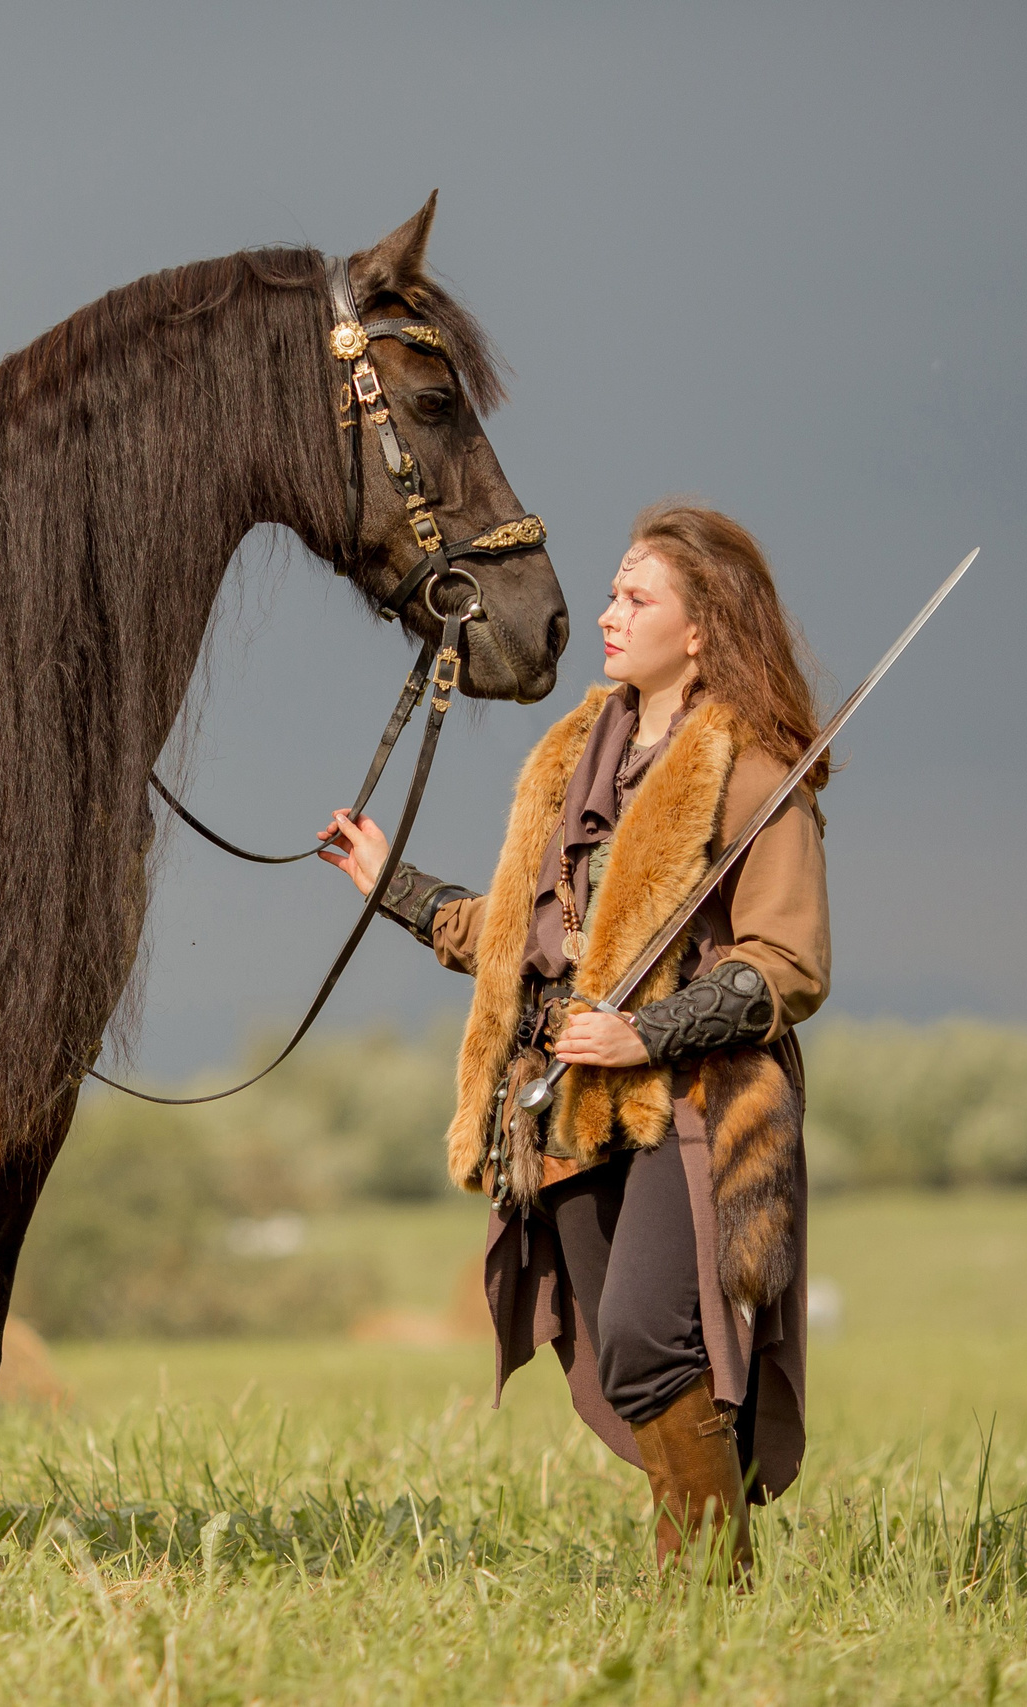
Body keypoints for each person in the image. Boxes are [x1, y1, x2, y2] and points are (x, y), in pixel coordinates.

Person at [319, 502, 830, 1578]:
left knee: (650, 1336)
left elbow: (785, 967)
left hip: (691, 1095)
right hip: (565, 1095)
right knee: (616, 1354)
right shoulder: (574, 754)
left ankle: (703, 1591)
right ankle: (714, 1584)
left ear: (699, 630)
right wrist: (389, 885)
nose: (604, 615)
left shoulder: (750, 765)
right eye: (611, 593)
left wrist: (644, 1033)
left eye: (635, 600)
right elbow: (518, 937)